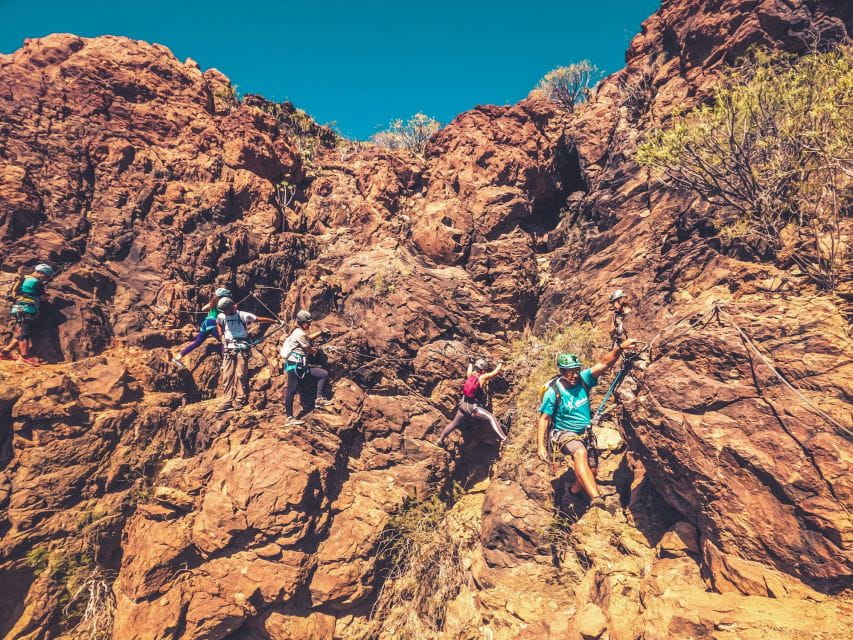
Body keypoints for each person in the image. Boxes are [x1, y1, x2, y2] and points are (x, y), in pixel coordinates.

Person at [536, 340, 636, 510]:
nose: (574, 375)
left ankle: (572, 493)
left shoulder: (583, 380)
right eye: (569, 372)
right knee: (580, 452)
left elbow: (604, 363)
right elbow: (544, 419)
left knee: (593, 471)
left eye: (576, 371)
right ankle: (596, 498)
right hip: (563, 433)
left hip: (585, 433)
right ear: (561, 372)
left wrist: (619, 348)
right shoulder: (554, 392)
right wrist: (541, 447)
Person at [214, 297, 278, 414]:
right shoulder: (222, 316)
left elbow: (258, 319)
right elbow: (218, 323)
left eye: (226, 310)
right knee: (227, 375)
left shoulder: (242, 315)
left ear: (231, 308)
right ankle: (227, 401)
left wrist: (274, 321)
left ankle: (240, 399)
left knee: (240, 374)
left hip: (241, 347)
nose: (224, 313)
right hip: (229, 348)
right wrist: (221, 334)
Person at [437, 357, 507, 445]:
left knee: (454, 423)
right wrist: (500, 363)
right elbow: (494, 373)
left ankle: (440, 440)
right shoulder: (482, 377)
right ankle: (504, 438)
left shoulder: (470, 375)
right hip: (472, 407)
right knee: (491, 417)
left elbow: (470, 367)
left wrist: (471, 362)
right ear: (483, 370)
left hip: (462, 405)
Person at [280, 310, 331, 426]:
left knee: (323, 374)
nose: (309, 325)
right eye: (308, 323)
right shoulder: (299, 334)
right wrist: (318, 350)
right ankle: (289, 418)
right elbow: (309, 349)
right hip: (295, 366)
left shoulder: (299, 333)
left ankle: (319, 399)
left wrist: (320, 332)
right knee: (291, 390)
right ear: (302, 323)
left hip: (301, 367)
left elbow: (308, 339)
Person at [0, 263, 56, 365]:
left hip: (19, 308)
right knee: (25, 333)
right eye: (46, 276)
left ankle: (5, 352)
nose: (45, 279)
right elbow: (43, 298)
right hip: (27, 309)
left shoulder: (24, 279)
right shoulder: (37, 283)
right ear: (40, 273)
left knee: (22, 332)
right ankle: (25, 357)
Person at [172, 287, 232, 369]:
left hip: (206, 323)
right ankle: (225, 364)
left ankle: (177, 358)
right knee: (224, 341)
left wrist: (212, 309)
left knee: (197, 343)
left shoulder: (213, 302)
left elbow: (203, 309)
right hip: (213, 323)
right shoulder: (223, 303)